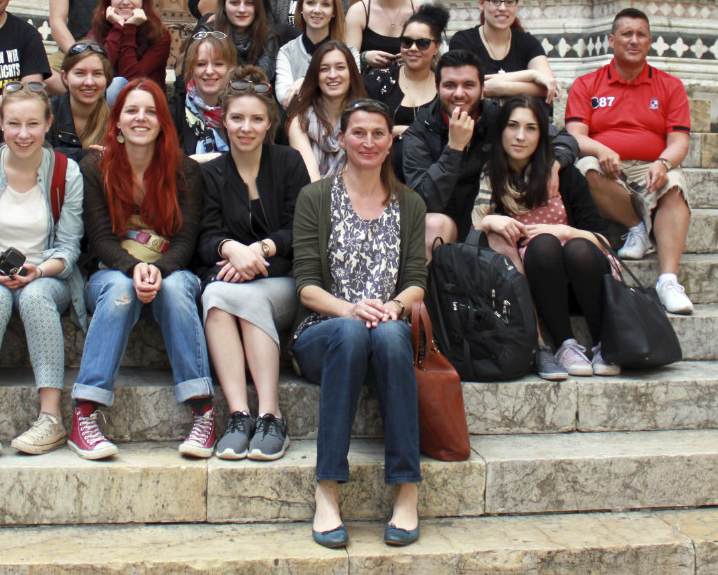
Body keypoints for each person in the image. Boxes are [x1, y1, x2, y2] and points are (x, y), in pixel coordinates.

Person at [292, 98, 427, 549]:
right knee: (352, 331)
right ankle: (327, 489)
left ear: (391, 142)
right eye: (358, 133)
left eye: (378, 134)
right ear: (340, 138)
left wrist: (393, 306)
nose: (368, 141)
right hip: (324, 335)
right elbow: (306, 286)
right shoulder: (315, 197)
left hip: (386, 338)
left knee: (391, 332)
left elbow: (415, 283)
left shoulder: (410, 203)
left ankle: (406, 489)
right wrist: (350, 309)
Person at [71, 79, 214, 460]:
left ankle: (202, 410)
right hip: (111, 271)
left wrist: (159, 270)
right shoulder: (95, 169)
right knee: (119, 292)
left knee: (176, 289)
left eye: (150, 111)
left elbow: (186, 241)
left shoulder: (184, 171)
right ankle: (84, 411)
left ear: (163, 121)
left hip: (171, 270)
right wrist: (135, 269)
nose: (141, 118)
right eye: (131, 110)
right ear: (116, 121)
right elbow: (100, 239)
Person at [0, 84, 86, 456]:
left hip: (48, 274)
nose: (23, 134)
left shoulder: (66, 172)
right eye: (14, 124)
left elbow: (69, 248)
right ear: (0, 123)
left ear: (48, 123)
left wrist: (39, 270)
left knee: (36, 296)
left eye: (33, 123)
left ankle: (50, 418)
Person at [198, 67, 309, 461]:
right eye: (237, 118)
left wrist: (259, 250)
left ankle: (270, 413)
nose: (246, 127)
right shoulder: (209, 173)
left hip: (283, 283)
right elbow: (205, 236)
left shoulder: (289, 163)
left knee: (239, 298)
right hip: (231, 280)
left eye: (256, 119)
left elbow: (300, 229)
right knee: (215, 296)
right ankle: (239, 416)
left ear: (269, 124)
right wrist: (231, 249)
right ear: (223, 120)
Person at [472, 95, 620, 377]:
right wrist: (490, 219)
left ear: (541, 135)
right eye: (512, 126)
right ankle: (565, 343)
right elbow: (475, 239)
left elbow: (603, 241)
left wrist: (564, 230)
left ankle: (605, 342)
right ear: (500, 130)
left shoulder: (564, 176)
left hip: (584, 279)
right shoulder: (490, 179)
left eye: (531, 128)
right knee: (542, 246)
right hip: (534, 283)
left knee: (576, 247)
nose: (520, 136)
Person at [565, 8, 693, 315]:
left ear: (649, 42)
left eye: (641, 35)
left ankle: (668, 280)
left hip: (651, 168)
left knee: (676, 185)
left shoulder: (670, 86)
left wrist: (663, 162)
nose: (633, 41)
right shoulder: (587, 84)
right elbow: (575, 135)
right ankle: (637, 226)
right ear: (611, 40)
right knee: (584, 169)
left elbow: (679, 141)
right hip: (608, 169)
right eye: (626, 34)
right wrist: (600, 149)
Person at [403, 50, 578, 256]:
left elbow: (565, 139)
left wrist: (555, 163)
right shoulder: (420, 130)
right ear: (437, 88)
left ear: (483, 89)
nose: (459, 93)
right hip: (445, 219)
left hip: (492, 215)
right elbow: (425, 202)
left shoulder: (498, 118)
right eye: (450, 85)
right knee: (432, 225)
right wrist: (454, 149)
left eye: (468, 85)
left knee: (502, 237)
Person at [364, 4, 450, 180]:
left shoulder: (447, 88)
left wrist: (403, 131)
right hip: (380, 177)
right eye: (407, 42)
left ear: (436, 47)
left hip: (431, 179)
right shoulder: (378, 82)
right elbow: (362, 128)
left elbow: (449, 137)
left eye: (423, 43)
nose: (413, 48)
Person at [447, 0, 558, 105]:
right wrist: (532, 76)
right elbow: (467, 85)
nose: (503, 8)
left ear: (516, 5)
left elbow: (549, 87)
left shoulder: (528, 43)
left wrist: (504, 88)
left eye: (509, 1)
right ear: (481, 4)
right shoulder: (463, 41)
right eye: (495, 1)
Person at [285, 40, 366, 181]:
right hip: (314, 198)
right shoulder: (300, 121)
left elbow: (356, 178)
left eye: (340, 67)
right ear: (315, 76)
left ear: (351, 73)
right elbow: (311, 179)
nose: (332, 75)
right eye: (324, 69)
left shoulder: (365, 119)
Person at [275, 0, 360, 107]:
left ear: (333, 11)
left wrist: (304, 81)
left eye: (325, 4)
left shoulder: (350, 53)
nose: (317, 10)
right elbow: (285, 98)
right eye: (310, 3)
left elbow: (350, 96)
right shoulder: (286, 52)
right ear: (301, 8)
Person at [89, 0, 171, 97]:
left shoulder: (159, 36)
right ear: (109, 0)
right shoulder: (98, 31)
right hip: (103, 105)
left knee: (117, 84)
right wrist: (118, 28)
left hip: (146, 103)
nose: (125, 2)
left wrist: (129, 28)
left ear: (143, 0)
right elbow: (99, 70)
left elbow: (133, 80)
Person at [170, 31, 238, 161]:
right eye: (201, 64)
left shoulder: (242, 107)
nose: (209, 71)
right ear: (191, 69)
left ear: (230, 68)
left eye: (218, 64)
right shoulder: (174, 110)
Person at [195, 0, 278, 81]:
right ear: (224, 6)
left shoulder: (267, 35)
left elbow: (261, 76)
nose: (242, 9)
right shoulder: (208, 32)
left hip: (253, 93)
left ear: (257, 7)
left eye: (249, 3)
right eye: (235, 2)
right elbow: (199, 71)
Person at [46, 42, 111, 160]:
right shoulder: (46, 112)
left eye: (97, 74)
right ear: (64, 77)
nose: (89, 82)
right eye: (80, 73)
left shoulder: (117, 117)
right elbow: (40, 156)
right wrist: (91, 155)